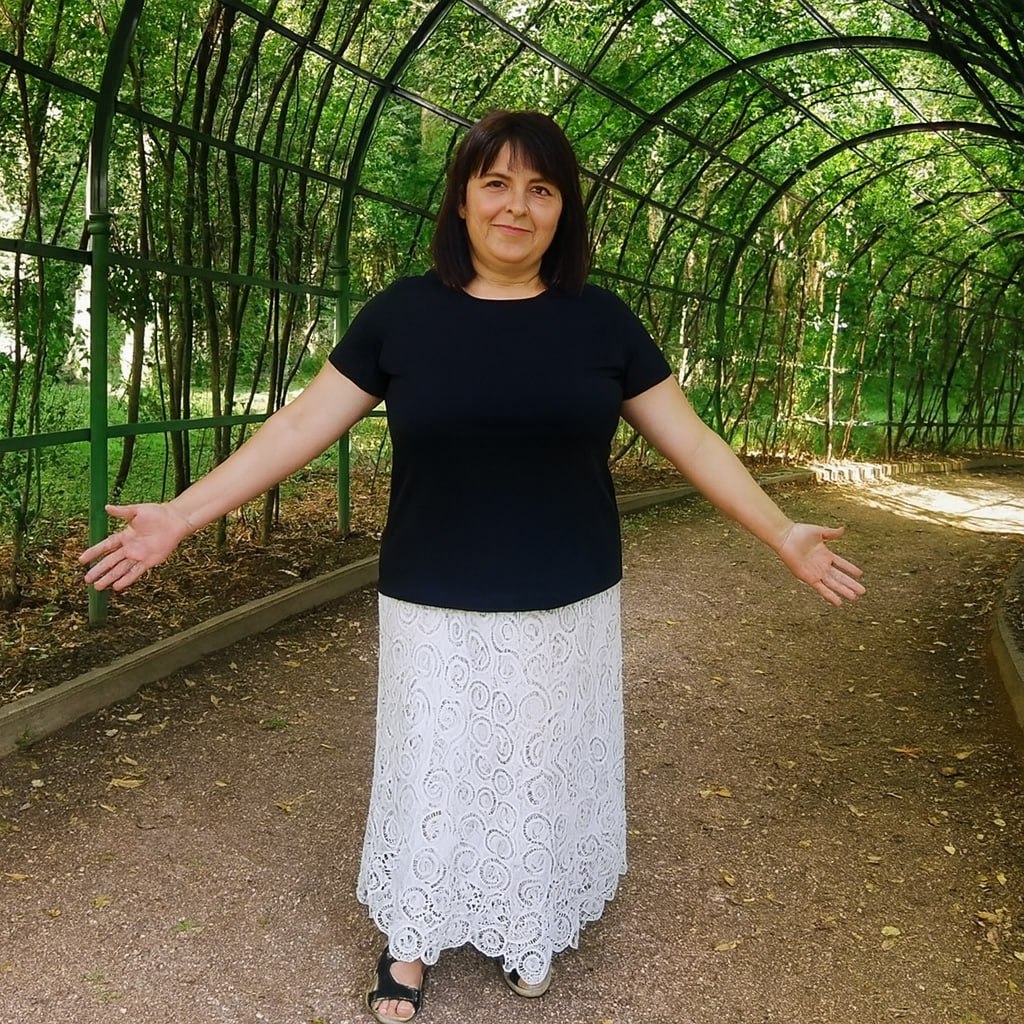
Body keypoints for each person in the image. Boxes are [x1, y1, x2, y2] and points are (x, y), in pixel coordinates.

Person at [81, 110, 865, 1023]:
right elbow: (298, 426)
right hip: (434, 596)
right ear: (462, 200)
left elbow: (690, 440)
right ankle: (411, 939)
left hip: (567, 599)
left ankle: (530, 925)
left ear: (564, 211)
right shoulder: (403, 316)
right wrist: (181, 514)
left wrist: (781, 532)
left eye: (541, 189)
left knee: (542, 766)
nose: (516, 207)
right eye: (496, 184)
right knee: (434, 765)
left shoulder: (602, 322)